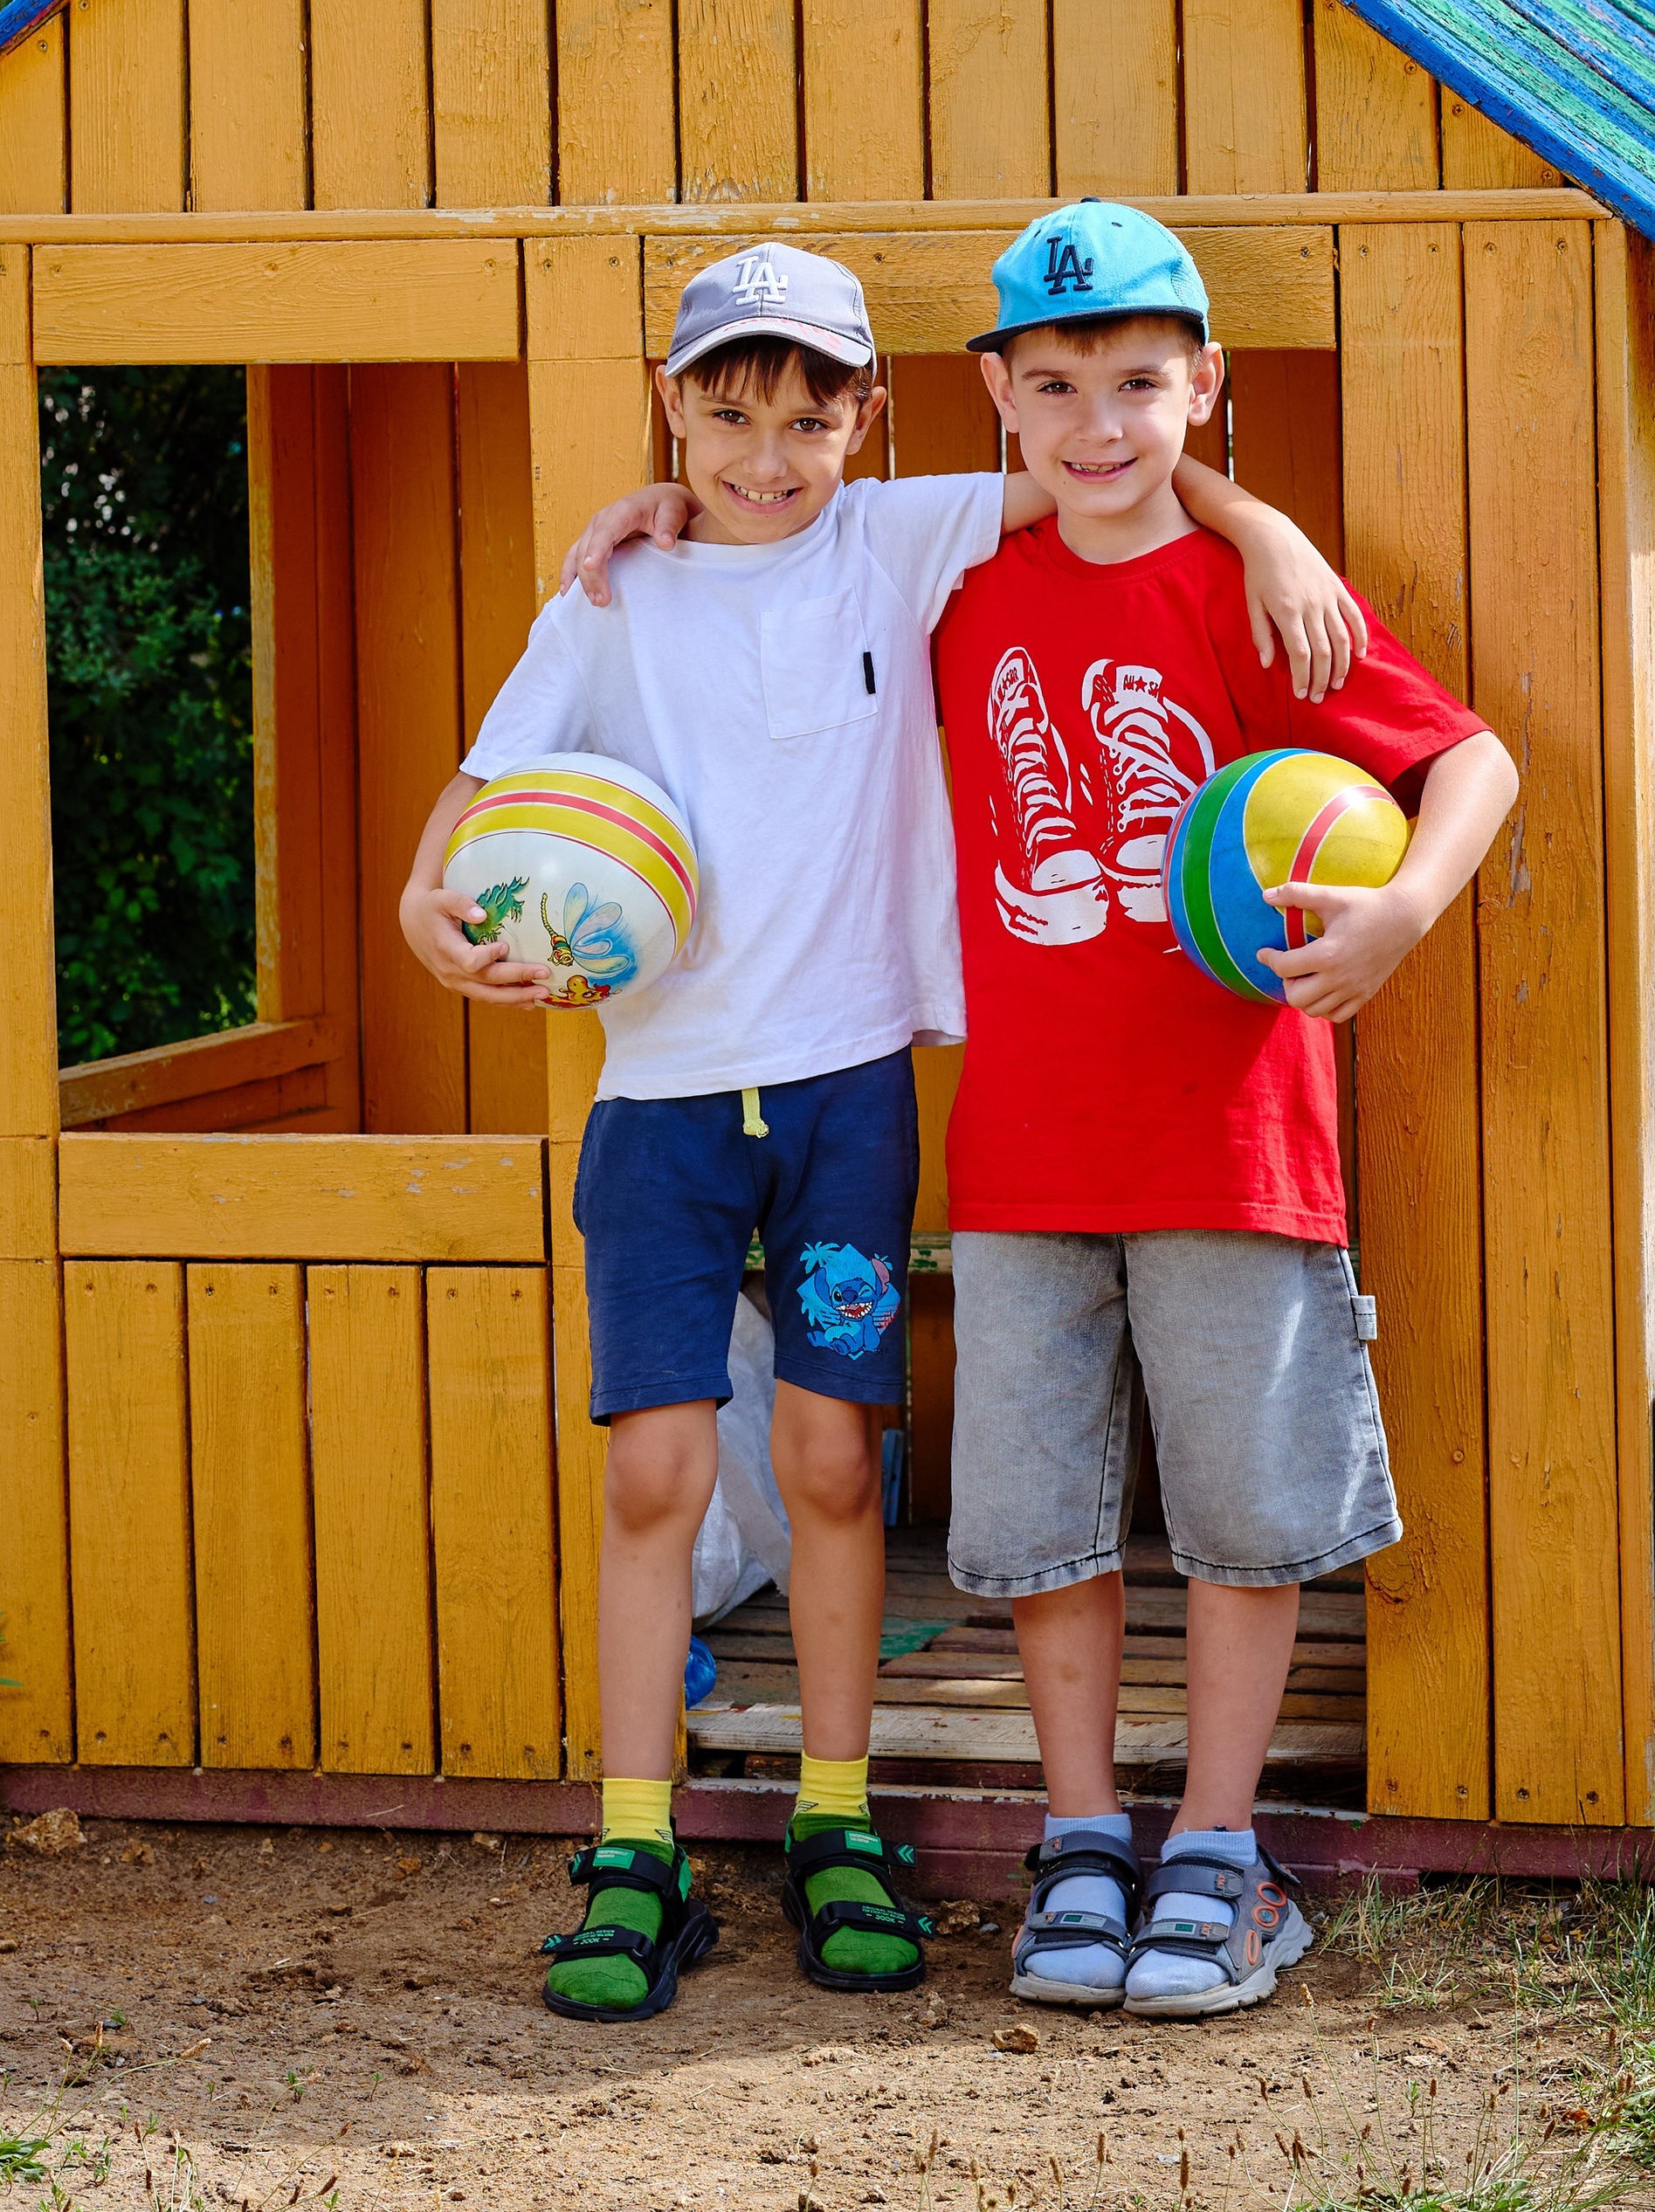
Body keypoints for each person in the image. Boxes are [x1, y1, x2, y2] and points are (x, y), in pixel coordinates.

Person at [401, 242, 1363, 2025]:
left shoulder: (899, 533)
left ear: (868, 415)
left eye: (804, 413)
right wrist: (416, 901)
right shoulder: (609, 598)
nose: (763, 452)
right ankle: (634, 1847)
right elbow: (483, 785)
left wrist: (1267, 533)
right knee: (651, 1471)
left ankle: (833, 1822)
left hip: (845, 1085)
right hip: (659, 1100)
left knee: (838, 1465)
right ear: (671, 398)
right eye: (725, 408)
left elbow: (1124, 463)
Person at [928, 199, 1518, 2019]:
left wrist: (1404, 910)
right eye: (1054, 388)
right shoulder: (953, 585)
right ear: (995, 402)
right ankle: (1081, 1834)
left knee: (1246, 1515)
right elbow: (770, 553)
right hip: (1023, 1148)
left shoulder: (1255, 597)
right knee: (1041, 1521)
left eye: (1134, 383)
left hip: (1235, 1140)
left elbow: (1467, 756)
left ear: (1203, 382)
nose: (1098, 424)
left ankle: (1215, 1847)